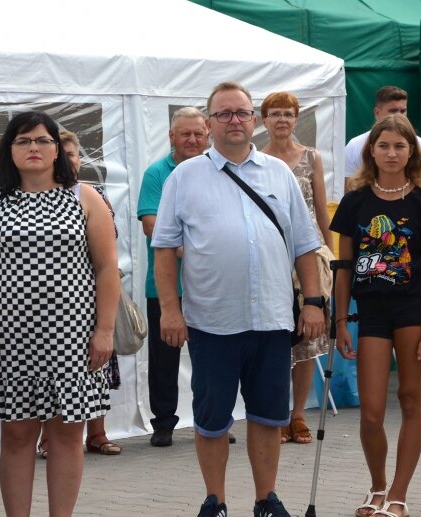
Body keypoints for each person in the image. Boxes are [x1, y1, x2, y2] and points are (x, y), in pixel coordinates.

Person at [152, 81, 324, 517]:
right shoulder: (183, 177)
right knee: (212, 419)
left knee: (269, 416)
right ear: (209, 123)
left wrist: (314, 302)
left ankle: (266, 499)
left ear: (255, 121)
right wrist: (171, 310)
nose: (234, 120)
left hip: (270, 319)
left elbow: (305, 244)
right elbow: (165, 250)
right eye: (224, 113)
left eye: (242, 113)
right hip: (212, 322)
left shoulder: (279, 173)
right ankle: (216, 500)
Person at [0, 111, 119, 517]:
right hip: (11, 340)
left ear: (56, 150)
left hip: (74, 338)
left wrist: (104, 331)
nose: (33, 148)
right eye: (23, 140)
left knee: (68, 435)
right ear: (9, 151)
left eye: (42, 141)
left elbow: (105, 268)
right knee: (17, 435)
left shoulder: (86, 198)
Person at [331, 114, 421, 517]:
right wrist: (340, 320)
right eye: (384, 146)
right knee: (372, 411)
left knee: (411, 398)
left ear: (411, 152)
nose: (392, 153)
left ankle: (399, 492)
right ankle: (377, 485)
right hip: (371, 311)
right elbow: (343, 266)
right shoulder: (355, 201)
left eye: (400, 146)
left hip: (413, 308)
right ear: (371, 151)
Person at [34, 130, 122, 458]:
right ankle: (48, 438)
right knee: (48, 375)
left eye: (73, 155)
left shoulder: (93, 194)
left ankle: (97, 434)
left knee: (94, 366)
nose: (68, 160)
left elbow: (109, 242)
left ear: (79, 159)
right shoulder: (33, 193)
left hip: (90, 295)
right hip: (48, 303)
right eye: (63, 154)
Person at [260, 91, 332, 445]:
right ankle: (274, 412)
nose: (282, 120)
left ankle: (298, 413)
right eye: (275, 114)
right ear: (264, 120)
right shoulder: (257, 160)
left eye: (288, 114)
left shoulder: (311, 158)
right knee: (275, 337)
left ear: (296, 118)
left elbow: (321, 208)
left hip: (310, 253)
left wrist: (332, 260)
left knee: (307, 340)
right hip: (271, 254)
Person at [137, 107, 210, 448]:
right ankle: (164, 423)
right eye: (185, 134)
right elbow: (151, 224)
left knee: (211, 357)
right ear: (171, 137)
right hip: (166, 286)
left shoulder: (218, 170)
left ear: (207, 134)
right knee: (164, 359)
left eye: (198, 133)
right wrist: (196, 250)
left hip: (211, 286)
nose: (192, 140)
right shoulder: (156, 173)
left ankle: (212, 420)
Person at [344, 86, 421, 192]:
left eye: (403, 111)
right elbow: (348, 189)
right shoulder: (355, 146)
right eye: (393, 111)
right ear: (377, 112)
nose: (399, 115)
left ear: (411, 150)